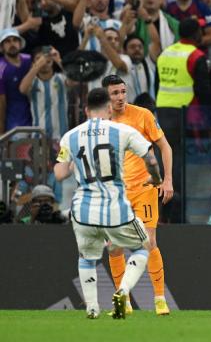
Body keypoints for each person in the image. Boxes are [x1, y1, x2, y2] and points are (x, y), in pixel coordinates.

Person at [54, 87, 162, 319]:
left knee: (87, 258)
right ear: (109, 109)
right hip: (115, 207)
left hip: (82, 210)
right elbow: (151, 158)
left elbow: (60, 173)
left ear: (86, 110)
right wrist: (157, 177)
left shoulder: (70, 137)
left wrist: (72, 162)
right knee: (143, 247)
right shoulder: (122, 131)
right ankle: (123, 290)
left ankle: (92, 308)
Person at [101, 75, 174, 317]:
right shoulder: (100, 121)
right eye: (115, 93)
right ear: (105, 96)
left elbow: (165, 146)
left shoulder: (143, 115)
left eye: (123, 91)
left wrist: (168, 180)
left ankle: (159, 299)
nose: (120, 97)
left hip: (144, 187)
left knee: (149, 242)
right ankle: (124, 300)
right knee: (113, 246)